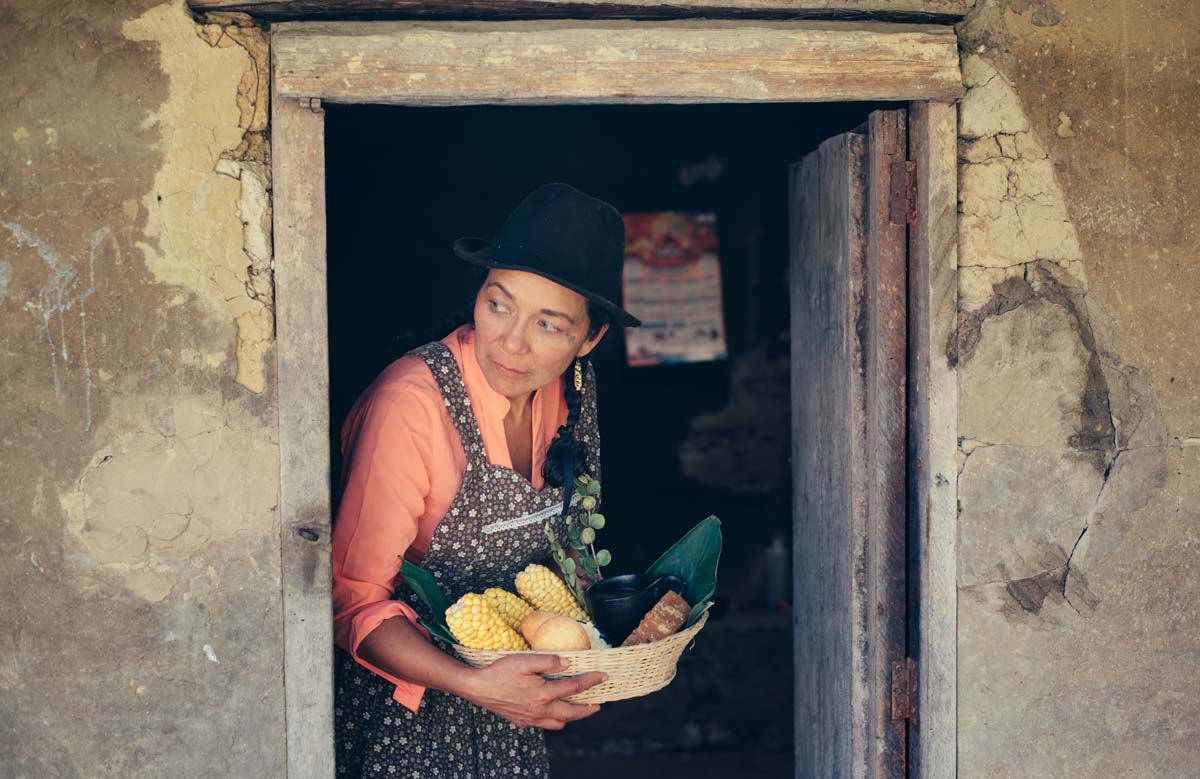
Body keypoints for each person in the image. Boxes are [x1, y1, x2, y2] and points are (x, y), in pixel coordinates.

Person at [331, 183, 641, 777]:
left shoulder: (573, 390)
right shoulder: (410, 407)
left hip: (511, 712)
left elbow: (571, 537)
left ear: (590, 339)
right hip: (405, 715)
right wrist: (473, 682)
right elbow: (352, 600)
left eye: (549, 325)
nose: (512, 342)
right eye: (499, 304)